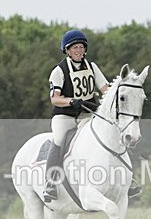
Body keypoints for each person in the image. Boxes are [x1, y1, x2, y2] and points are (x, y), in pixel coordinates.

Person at [43, 29, 109, 201]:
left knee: (106, 135)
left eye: (81, 47)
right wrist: (71, 101)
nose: (79, 51)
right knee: (59, 140)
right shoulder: (59, 70)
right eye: (75, 48)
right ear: (67, 50)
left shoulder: (92, 67)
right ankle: (50, 183)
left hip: (86, 113)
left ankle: (126, 178)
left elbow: (105, 89)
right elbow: (55, 99)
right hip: (65, 115)